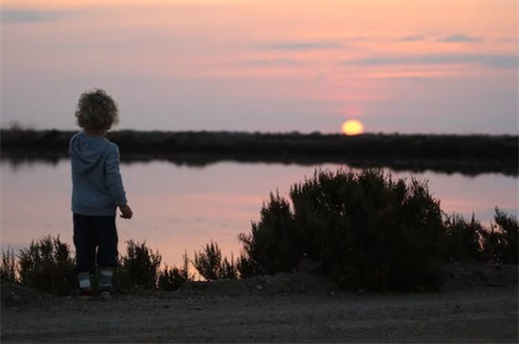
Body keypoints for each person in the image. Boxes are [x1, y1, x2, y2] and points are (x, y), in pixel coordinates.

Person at [69, 88, 133, 299]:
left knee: (83, 247)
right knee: (106, 248)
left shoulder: (75, 144)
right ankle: (105, 287)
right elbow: (113, 179)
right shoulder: (109, 149)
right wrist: (122, 202)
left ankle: (85, 286)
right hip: (104, 211)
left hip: (80, 208)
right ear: (109, 121)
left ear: (82, 117)